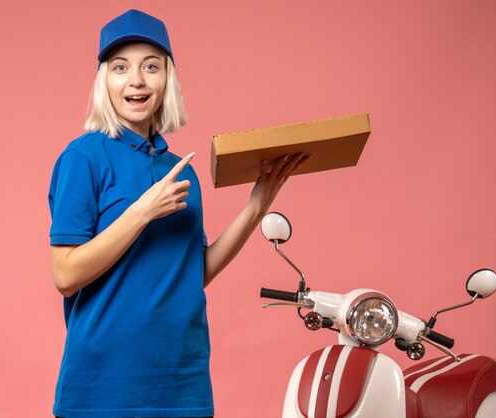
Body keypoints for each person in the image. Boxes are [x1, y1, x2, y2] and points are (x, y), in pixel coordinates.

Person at [48, 9, 307, 418]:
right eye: (120, 68)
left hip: (182, 381)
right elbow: (65, 276)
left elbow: (193, 274)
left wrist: (257, 205)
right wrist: (141, 212)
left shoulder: (179, 169)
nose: (136, 79)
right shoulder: (84, 157)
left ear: (167, 78)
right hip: (104, 386)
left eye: (151, 67)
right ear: (105, 81)